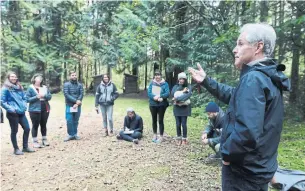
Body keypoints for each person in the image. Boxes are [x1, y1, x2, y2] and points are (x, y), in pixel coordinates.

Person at [189, 23, 291, 190]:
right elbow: (235, 95)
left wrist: (226, 154)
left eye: (241, 43)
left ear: (258, 47)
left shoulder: (254, 79)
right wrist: (206, 81)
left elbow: (248, 132)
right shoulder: (266, 77)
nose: (235, 50)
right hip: (258, 169)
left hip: (244, 173)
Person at [1, 72, 35, 155]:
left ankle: (25, 147)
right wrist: (11, 109)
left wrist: (24, 106)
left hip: (21, 112)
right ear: (8, 78)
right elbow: (2, 101)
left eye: (15, 77)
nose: (14, 78)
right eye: (12, 76)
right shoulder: (5, 88)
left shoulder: (19, 87)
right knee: (14, 131)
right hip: (12, 113)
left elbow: (24, 98)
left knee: (27, 128)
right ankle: (16, 149)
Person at [26, 74, 52, 148]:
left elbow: (49, 97)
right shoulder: (30, 88)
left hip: (45, 107)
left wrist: (44, 96)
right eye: (37, 78)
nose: (39, 79)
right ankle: (35, 141)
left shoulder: (44, 87)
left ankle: (44, 139)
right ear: (34, 79)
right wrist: (36, 97)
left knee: (43, 124)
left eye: (40, 78)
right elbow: (27, 99)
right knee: (35, 125)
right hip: (34, 109)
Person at [147, 69, 170, 143]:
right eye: (156, 75)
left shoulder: (165, 84)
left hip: (161, 105)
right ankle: (154, 134)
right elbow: (149, 93)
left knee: (160, 120)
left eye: (159, 75)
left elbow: (167, 93)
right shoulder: (152, 83)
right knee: (154, 120)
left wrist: (161, 96)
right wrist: (154, 97)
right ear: (154, 76)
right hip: (153, 104)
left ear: (161, 76)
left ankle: (161, 136)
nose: (157, 76)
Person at [171, 72, 192, 145]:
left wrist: (177, 99)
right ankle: (179, 138)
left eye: (183, 79)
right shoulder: (175, 86)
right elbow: (173, 94)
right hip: (177, 108)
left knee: (183, 124)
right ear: (178, 79)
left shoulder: (188, 86)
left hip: (184, 108)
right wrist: (180, 86)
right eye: (180, 78)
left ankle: (184, 138)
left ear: (185, 79)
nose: (181, 80)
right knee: (177, 124)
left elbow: (187, 95)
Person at [63, 71, 84, 142]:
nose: (74, 76)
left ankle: (75, 134)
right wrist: (75, 101)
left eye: (75, 75)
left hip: (78, 105)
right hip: (69, 105)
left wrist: (77, 103)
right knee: (69, 120)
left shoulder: (80, 85)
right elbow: (66, 94)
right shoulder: (66, 84)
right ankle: (70, 134)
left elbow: (81, 94)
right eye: (72, 75)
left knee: (76, 120)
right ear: (70, 76)